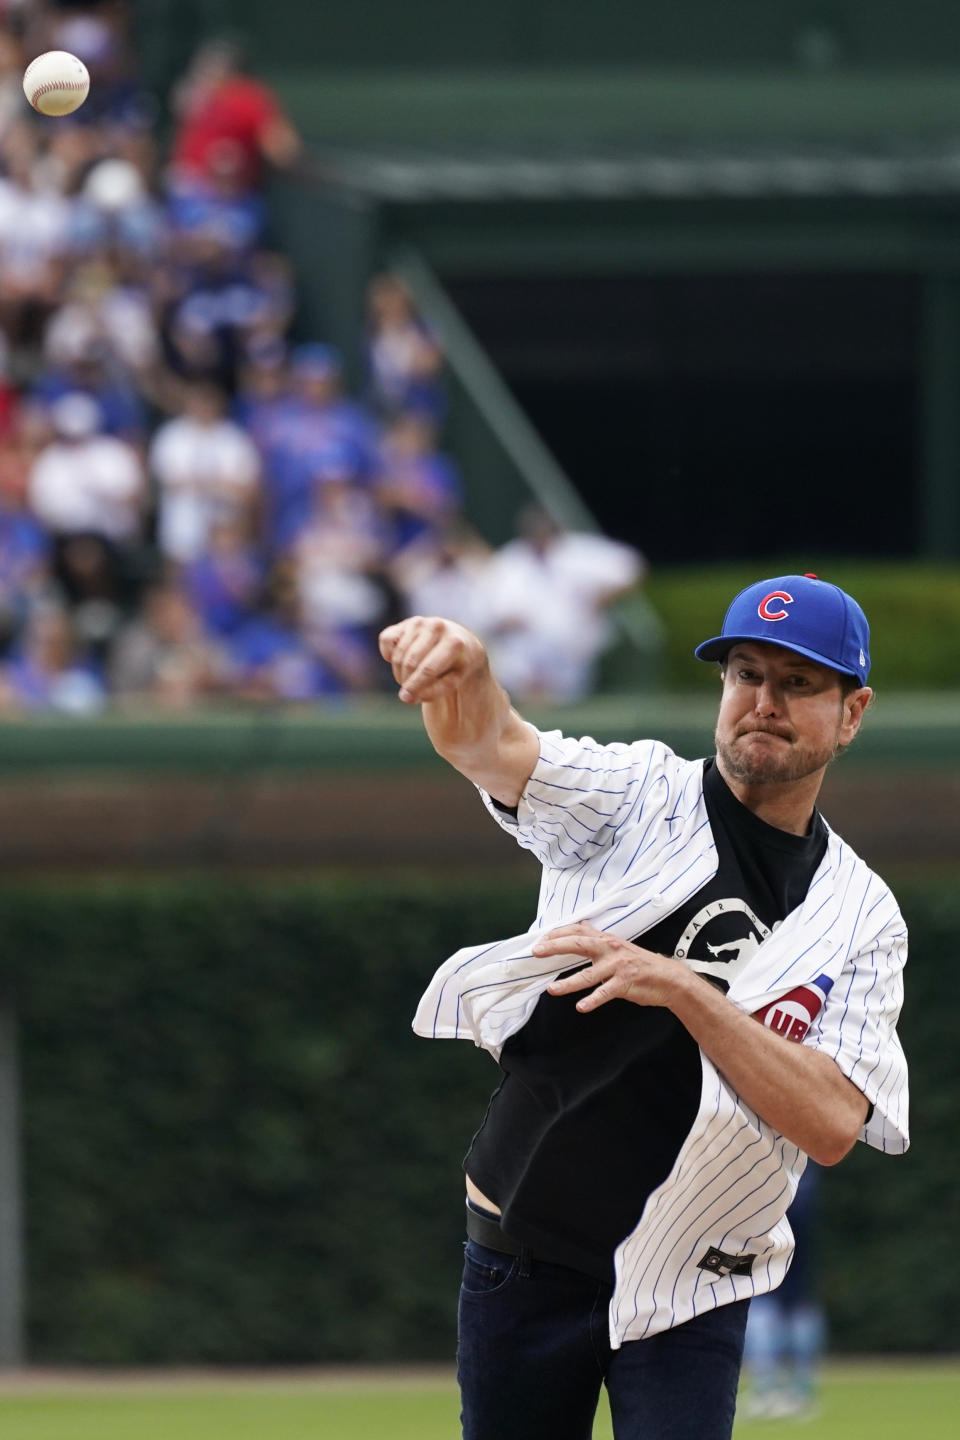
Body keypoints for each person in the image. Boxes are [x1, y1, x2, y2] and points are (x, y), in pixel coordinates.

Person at [378, 573, 909, 1440]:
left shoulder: (862, 915)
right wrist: (466, 672)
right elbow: (494, 746)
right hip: (526, 1253)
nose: (764, 701)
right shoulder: (635, 795)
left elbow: (832, 1123)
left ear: (852, 713)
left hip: (694, 1283)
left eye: (799, 683)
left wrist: (682, 991)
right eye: (746, 673)